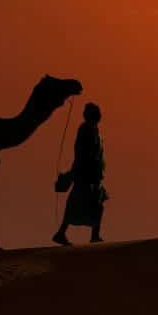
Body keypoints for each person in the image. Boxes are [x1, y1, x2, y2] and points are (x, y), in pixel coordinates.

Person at [53, 103, 108, 245]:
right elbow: (81, 152)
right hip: (85, 174)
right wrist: (78, 170)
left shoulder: (94, 130)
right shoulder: (85, 130)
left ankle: (94, 234)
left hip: (94, 175)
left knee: (98, 203)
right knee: (76, 203)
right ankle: (61, 233)